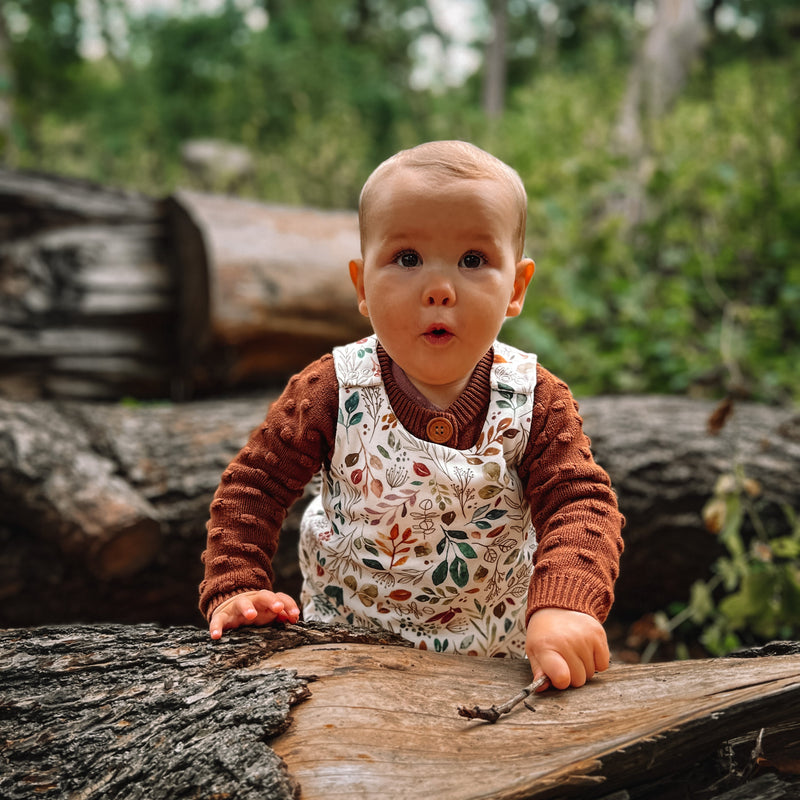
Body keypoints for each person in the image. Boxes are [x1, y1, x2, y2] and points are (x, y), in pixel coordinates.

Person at [199, 140, 624, 691]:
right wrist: (235, 585)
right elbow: (254, 487)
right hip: (345, 658)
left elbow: (580, 503)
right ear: (362, 286)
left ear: (517, 288)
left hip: (493, 663)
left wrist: (567, 603)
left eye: (473, 261)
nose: (440, 289)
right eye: (407, 259)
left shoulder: (533, 399)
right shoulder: (335, 387)